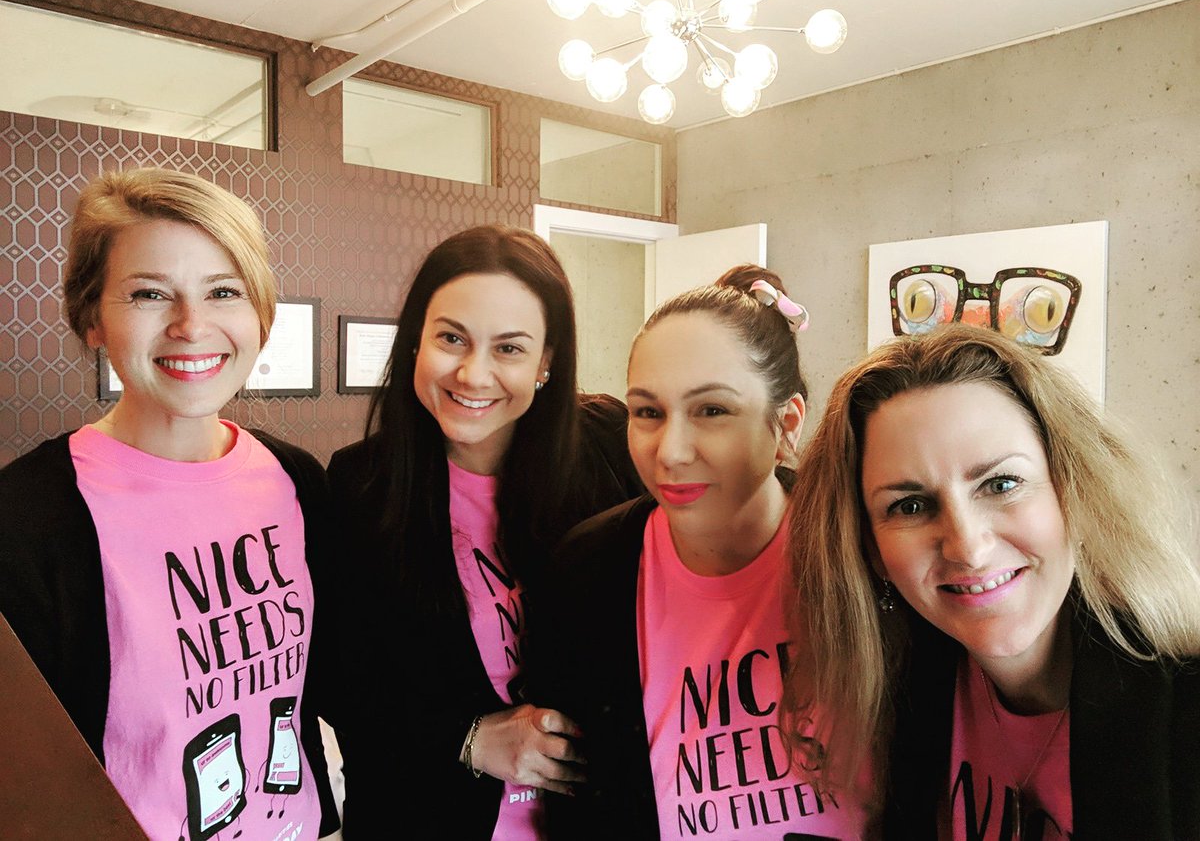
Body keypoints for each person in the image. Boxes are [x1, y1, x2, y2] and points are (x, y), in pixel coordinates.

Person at [0, 168, 339, 839]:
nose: (192, 325)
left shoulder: (296, 478)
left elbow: (337, 681)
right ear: (92, 317)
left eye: (223, 292)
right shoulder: (25, 518)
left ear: (260, 314)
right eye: (150, 293)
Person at [785, 323, 1200, 840]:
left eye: (1001, 483)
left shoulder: (1182, 711)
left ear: (1074, 488)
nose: (968, 547)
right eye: (910, 505)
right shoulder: (899, 700)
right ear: (869, 549)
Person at [325, 224, 642, 838]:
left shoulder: (611, 446)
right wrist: (469, 737)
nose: (473, 374)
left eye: (510, 348)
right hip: (427, 817)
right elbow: (341, 681)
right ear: (416, 341)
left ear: (547, 360)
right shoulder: (359, 484)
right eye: (451, 338)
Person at [540, 266, 873, 839]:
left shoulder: (864, 554)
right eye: (647, 412)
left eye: (711, 411)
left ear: (786, 423)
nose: (669, 451)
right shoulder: (589, 569)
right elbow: (576, 792)